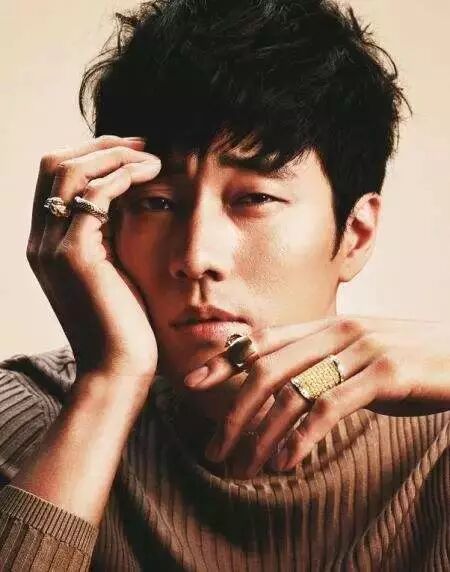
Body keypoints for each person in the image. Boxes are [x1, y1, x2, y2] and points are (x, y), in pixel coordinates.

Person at [0, 0, 449, 569]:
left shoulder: (439, 434)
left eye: (254, 198)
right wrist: (108, 384)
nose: (195, 257)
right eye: (157, 203)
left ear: (355, 235)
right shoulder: (32, 415)